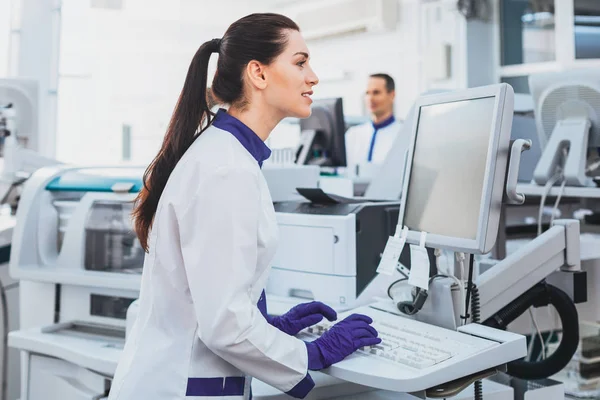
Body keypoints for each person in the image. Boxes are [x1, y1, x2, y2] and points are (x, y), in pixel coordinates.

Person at [108, 13, 381, 400]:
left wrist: (270, 326)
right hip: (180, 386)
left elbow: (210, 300)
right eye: (300, 62)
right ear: (259, 73)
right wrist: (312, 352)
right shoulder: (226, 169)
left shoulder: (225, 154)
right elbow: (223, 326)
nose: (313, 77)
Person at [345, 73, 403, 170]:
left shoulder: (403, 134)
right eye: (367, 93)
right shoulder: (352, 135)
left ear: (392, 95)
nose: (370, 98)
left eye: (376, 92)